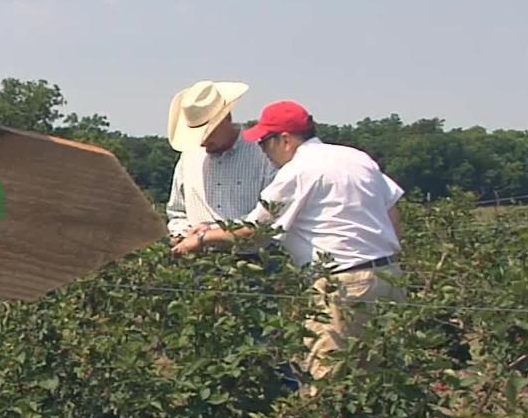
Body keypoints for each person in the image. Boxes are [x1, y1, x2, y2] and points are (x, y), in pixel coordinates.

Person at [174, 99, 406, 383]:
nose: (262, 151)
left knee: (327, 379)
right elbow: (391, 210)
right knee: (377, 375)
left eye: (264, 143)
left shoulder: (297, 171)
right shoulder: (355, 157)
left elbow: (254, 232)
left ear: (284, 140)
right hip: (389, 277)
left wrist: (201, 238)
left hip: (341, 285)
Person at [164, 80, 277, 256]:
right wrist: (184, 234)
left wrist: (207, 236)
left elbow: (268, 220)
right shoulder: (189, 157)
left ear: (227, 118)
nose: (202, 142)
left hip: (252, 262)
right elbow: (177, 212)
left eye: (208, 133)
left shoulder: (263, 155)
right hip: (197, 260)